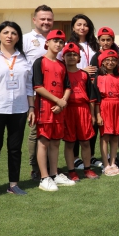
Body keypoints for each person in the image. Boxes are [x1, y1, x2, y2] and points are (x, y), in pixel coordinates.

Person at [0, 21, 33, 196]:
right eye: (6, 32)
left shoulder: (24, 58)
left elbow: (28, 86)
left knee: (15, 148)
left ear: (18, 37)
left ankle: (13, 184)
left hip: (19, 109)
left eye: (14, 33)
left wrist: (31, 108)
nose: (9, 36)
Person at [31, 29, 75, 192]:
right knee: (44, 142)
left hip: (59, 109)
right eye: (55, 41)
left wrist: (63, 101)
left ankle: (55, 174)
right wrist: (57, 100)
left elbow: (68, 87)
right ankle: (44, 177)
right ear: (47, 43)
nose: (58, 44)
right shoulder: (39, 62)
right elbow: (38, 86)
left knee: (56, 142)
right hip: (45, 108)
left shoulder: (62, 64)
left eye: (61, 42)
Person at [62, 15, 101, 167]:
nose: (82, 27)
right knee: (76, 120)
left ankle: (90, 155)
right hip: (77, 84)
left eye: (85, 24)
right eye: (79, 24)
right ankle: (76, 157)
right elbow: (63, 64)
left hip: (95, 84)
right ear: (73, 27)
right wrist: (82, 70)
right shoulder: (68, 45)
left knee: (92, 122)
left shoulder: (94, 45)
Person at [22, 5, 54, 181]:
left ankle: (50, 166)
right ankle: (36, 168)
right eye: (42, 19)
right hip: (32, 93)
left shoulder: (57, 40)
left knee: (51, 130)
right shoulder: (26, 39)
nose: (46, 22)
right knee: (36, 131)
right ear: (34, 20)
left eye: (49, 19)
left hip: (54, 94)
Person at [62, 42, 97, 181]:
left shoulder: (84, 75)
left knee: (86, 142)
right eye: (68, 54)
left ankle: (87, 169)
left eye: (74, 55)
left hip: (83, 110)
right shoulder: (62, 74)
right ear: (63, 57)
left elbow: (91, 97)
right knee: (70, 143)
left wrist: (93, 114)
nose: (71, 57)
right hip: (68, 110)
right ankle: (71, 171)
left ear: (79, 58)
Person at [93, 49, 119, 176]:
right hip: (104, 107)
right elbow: (96, 99)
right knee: (105, 136)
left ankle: (113, 162)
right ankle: (106, 164)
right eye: (107, 60)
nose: (110, 62)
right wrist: (98, 115)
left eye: (113, 60)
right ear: (102, 62)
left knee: (115, 136)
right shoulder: (98, 78)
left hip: (117, 107)